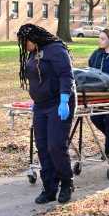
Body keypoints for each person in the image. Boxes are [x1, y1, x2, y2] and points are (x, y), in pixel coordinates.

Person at [18, 23, 76, 204]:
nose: (24, 46)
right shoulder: (34, 52)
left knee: (56, 146)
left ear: (34, 38)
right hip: (41, 105)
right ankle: (50, 187)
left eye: (25, 41)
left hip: (58, 103)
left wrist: (65, 100)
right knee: (42, 147)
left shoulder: (56, 49)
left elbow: (66, 75)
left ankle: (67, 183)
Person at [87, 27, 109, 160]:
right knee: (95, 117)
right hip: (97, 92)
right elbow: (90, 67)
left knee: (108, 119)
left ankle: (108, 151)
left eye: (102, 39)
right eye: (99, 38)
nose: (99, 41)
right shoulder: (97, 53)